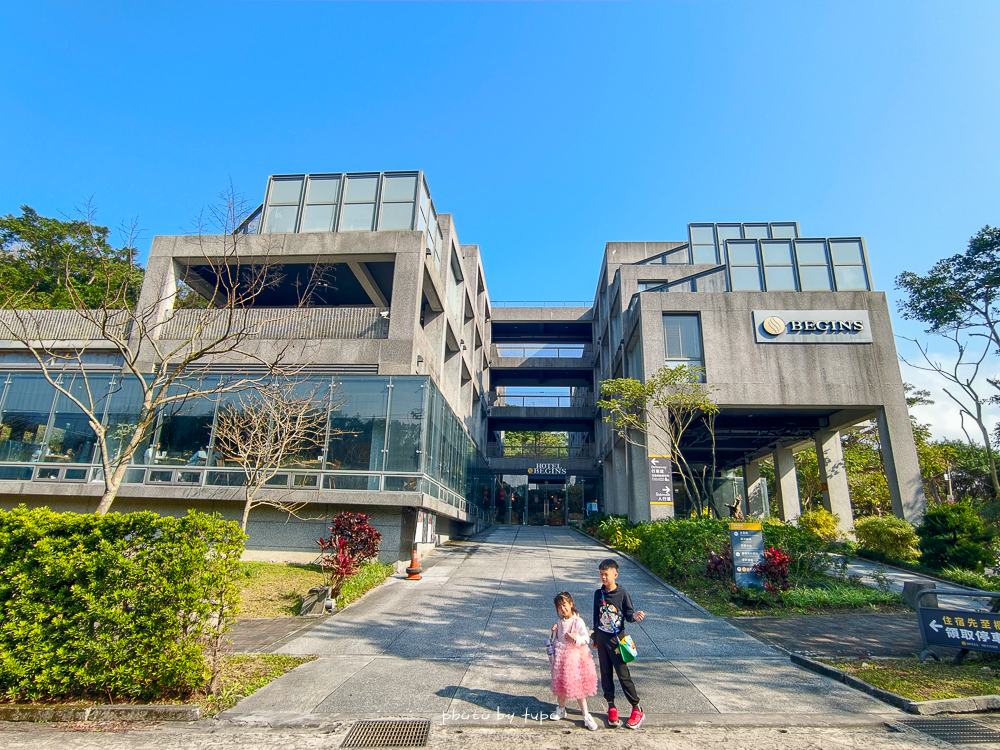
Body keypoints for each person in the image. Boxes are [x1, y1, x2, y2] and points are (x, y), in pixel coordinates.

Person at [592, 558, 645, 729]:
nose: (603, 577)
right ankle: (611, 706)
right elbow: (596, 617)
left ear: (615, 575)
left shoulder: (622, 594)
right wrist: (594, 637)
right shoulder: (598, 594)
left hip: (617, 641)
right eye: (601, 574)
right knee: (606, 674)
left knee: (623, 675)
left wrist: (634, 617)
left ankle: (636, 708)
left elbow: (629, 614)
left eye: (606, 574)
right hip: (602, 638)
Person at [548, 591, 598, 731]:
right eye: (559, 607)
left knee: (578, 686)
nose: (563, 609)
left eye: (564, 605)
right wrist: (554, 632)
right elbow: (558, 639)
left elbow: (586, 638)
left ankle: (586, 714)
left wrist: (575, 639)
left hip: (574, 659)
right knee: (560, 684)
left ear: (570, 604)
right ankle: (561, 708)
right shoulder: (560, 621)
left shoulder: (578, 621)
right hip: (561, 657)